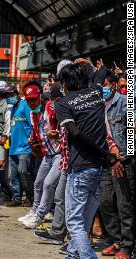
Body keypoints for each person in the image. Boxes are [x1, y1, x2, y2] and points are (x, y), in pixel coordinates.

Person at [55, 63, 123, 259]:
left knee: (74, 221)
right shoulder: (95, 92)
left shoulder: (63, 103)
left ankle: (87, 257)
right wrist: (106, 156)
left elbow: (75, 134)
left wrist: (105, 153)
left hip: (81, 168)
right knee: (85, 219)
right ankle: (73, 255)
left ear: (66, 83)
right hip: (101, 169)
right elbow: (102, 72)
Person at [99, 73, 134, 258]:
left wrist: (123, 157)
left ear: (113, 84)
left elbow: (132, 133)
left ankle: (128, 246)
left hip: (122, 161)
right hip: (105, 160)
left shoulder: (125, 103)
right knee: (105, 201)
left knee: (124, 204)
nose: (103, 89)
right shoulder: (98, 105)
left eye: (105, 85)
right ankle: (115, 240)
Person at [21, 82, 61, 227]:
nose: (31, 103)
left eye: (34, 99)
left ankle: (40, 215)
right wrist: (32, 140)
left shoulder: (51, 107)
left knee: (48, 184)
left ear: (40, 98)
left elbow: (64, 123)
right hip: (47, 155)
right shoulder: (34, 114)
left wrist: (59, 133)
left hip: (59, 153)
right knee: (38, 183)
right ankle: (34, 211)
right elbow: (36, 131)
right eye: (29, 100)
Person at [3, 84, 34, 207]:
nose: (9, 97)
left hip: (24, 147)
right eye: (7, 95)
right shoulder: (13, 108)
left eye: (11, 95)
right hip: (13, 147)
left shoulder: (25, 105)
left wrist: (31, 140)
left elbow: (32, 124)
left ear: (16, 93)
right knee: (13, 175)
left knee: (23, 172)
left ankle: (30, 197)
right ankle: (16, 198)